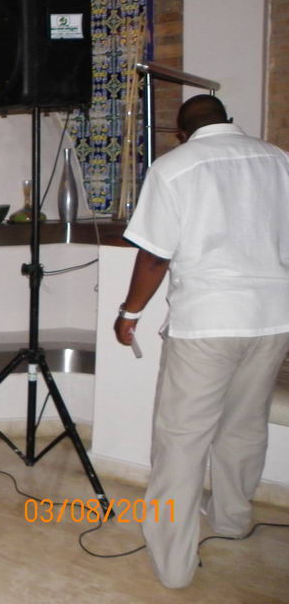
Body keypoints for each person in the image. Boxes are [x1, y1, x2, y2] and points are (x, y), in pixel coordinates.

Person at [114, 94, 289, 589]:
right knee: (245, 425)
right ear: (229, 121)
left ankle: (173, 563)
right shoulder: (279, 160)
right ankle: (233, 519)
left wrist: (130, 313)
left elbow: (154, 257)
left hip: (208, 322)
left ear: (181, 133)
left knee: (181, 440)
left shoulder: (174, 167)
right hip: (273, 319)